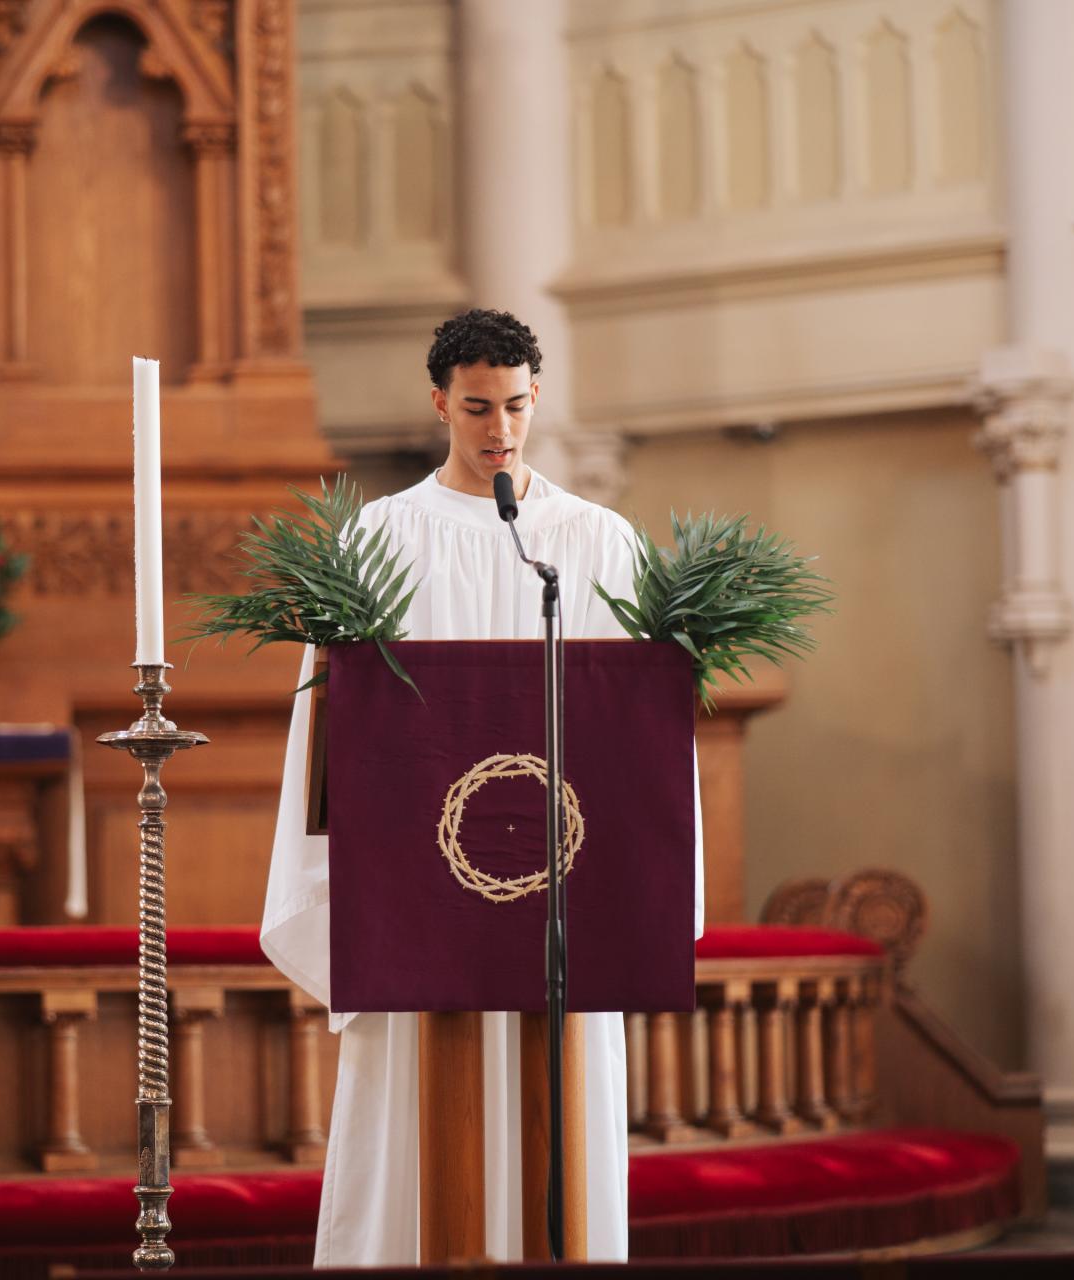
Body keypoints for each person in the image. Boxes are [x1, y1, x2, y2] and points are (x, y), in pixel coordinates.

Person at [260, 308, 705, 1264]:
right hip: (418, 909)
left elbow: (639, 732)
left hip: (563, 899)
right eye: (475, 408)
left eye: (514, 405)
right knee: (419, 1145)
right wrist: (335, 894)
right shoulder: (379, 542)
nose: (498, 429)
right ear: (438, 404)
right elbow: (329, 730)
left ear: (537, 395)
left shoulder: (596, 541)